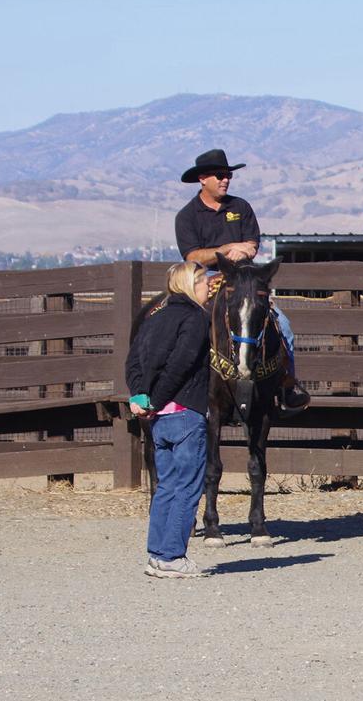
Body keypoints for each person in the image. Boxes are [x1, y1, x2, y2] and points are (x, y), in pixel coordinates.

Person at [175, 148, 310, 414]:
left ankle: (287, 384)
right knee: (192, 330)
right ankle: (190, 387)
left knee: (282, 323)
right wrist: (226, 250)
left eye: (228, 175)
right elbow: (191, 255)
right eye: (220, 175)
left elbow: (252, 244)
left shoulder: (241, 207)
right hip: (208, 283)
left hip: (245, 283)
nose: (225, 179)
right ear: (203, 178)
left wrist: (244, 250)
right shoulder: (187, 216)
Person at [127, 261, 213, 579]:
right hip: (185, 412)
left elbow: (133, 360)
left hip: (158, 418)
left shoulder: (155, 317)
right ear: (191, 284)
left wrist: (141, 397)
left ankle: (157, 555)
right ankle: (173, 556)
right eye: (204, 283)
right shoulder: (196, 319)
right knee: (188, 486)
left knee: (166, 486)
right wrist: (158, 398)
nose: (208, 288)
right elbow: (182, 362)